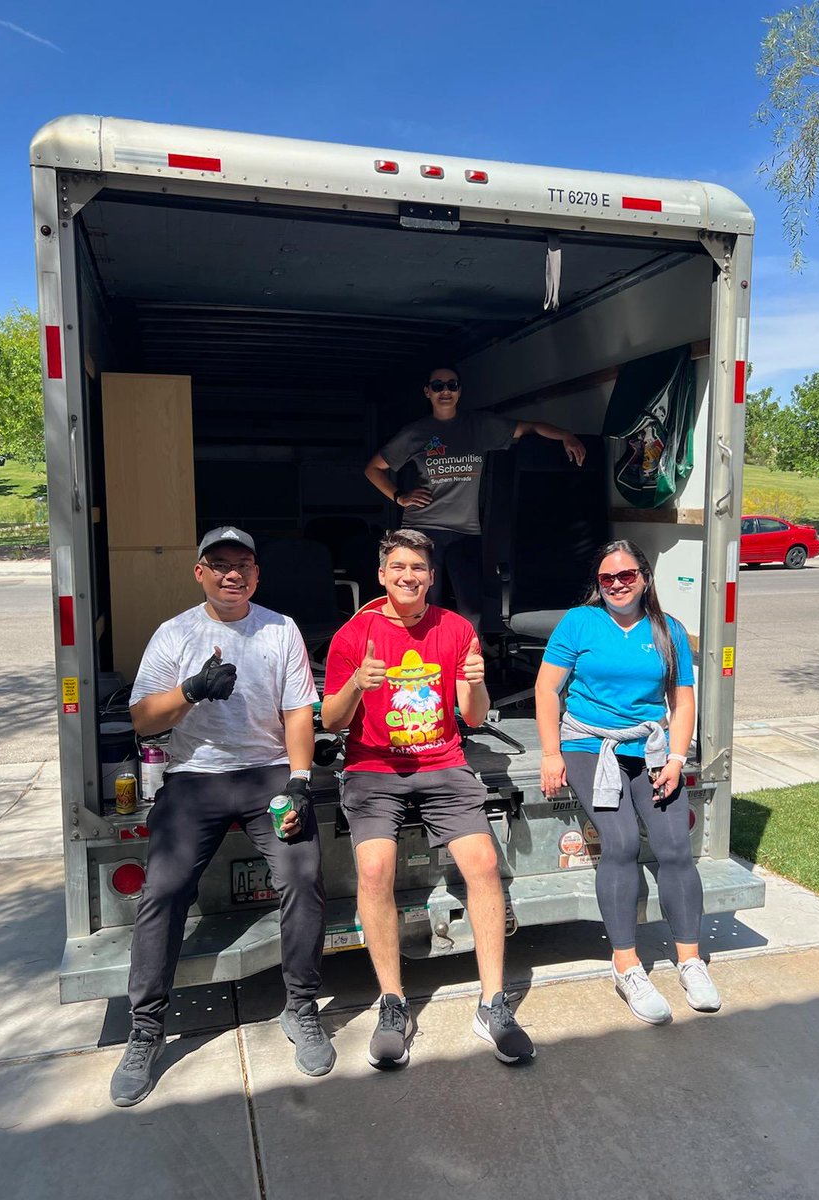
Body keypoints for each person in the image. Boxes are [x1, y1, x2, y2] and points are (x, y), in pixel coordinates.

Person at [110, 526, 333, 1107]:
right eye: (220, 563)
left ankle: (302, 1008)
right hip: (194, 778)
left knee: (304, 875)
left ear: (257, 574)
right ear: (200, 572)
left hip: (268, 776)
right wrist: (192, 688)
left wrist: (301, 782)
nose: (232, 573)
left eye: (244, 564)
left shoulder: (280, 628)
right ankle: (147, 1029)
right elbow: (143, 720)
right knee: (163, 888)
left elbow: (298, 712)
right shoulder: (175, 633)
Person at [322, 528, 535, 1068]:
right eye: (398, 567)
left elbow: (474, 718)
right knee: (375, 870)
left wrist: (477, 682)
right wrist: (356, 686)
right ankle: (393, 1004)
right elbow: (331, 720)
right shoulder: (354, 635)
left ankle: (492, 1003)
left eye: (418, 568)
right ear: (382, 574)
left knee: (484, 863)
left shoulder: (456, 629)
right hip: (373, 767)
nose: (408, 577)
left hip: (443, 763)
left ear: (431, 577)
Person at [535, 539, 721, 1025]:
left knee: (675, 847)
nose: (617, 584)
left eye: (626, 575)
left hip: (651, 748)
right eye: (606, 578)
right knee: (618, 844)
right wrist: (551, 752)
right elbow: (547, 688)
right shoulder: (579, 622)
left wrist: (677, 759)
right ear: (597, 584)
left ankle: (689, 960)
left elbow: (681, 700)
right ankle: (627, 965)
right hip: (588, 745)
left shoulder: (668, 630)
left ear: (644, 577)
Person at [364, 366, 586, 629]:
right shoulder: (416, 433)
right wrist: (400, 496)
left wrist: (566, 435)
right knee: (423, 604)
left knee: (472, 609)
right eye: (437, 386)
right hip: (422, 529)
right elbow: (373, 468)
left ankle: (468, 666)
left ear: (460, 390)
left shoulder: (480, 426)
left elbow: (530, 428)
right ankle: (423, 665)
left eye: (452, 385)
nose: (445, 390)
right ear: (427, 391)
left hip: (465, 531)